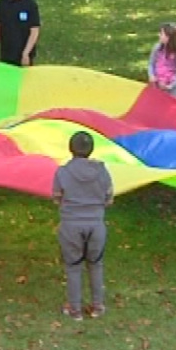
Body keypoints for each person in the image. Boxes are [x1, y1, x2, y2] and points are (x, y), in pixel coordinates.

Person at [52, 131, 114, 321]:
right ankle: (97, 306)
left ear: (71, 149)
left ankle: (75, 309)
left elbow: (57, 197)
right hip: (96, 225)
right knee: (96, 264)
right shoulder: (102, 171)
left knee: (73, 267)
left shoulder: (62, 172)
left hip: (71, 225)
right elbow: (109, 199)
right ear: (91, 149)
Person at [147, 22, 176, 98]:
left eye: (162, 33)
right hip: (156, 86)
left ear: (169, 37)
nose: (159, 35)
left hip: (171, 91)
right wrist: (151, 76)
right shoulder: (157, 48)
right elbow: (151, 64)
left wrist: (170, 85)